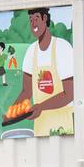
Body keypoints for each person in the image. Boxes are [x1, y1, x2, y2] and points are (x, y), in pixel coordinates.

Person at [17, 8, 75, 136]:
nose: (33, 24)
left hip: (63, 125)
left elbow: (69, 94)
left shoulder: (62, 47)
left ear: (45, 19)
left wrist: (40, 107)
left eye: (36, 18)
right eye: (30, 20)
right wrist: (12, 111)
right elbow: (26, 91)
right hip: (40, 126)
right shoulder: (31, 51)